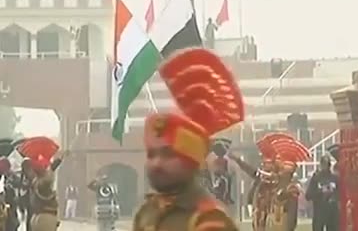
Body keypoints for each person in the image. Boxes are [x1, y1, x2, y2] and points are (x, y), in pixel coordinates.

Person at [132, 48, 244, 231]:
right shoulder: (148, 212)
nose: (157, 163)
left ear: (193, 161)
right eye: (151, 154)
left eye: (168, 154)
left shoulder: (209, 220)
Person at [19, 137, 67, 231]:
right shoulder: (43, 183)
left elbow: (51, 168)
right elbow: (50, 171)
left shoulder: (34, 181)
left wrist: (60, 159)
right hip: (45, 217)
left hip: (35, 216)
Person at [266, 137, 310, 231]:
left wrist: (289, 228)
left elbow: (292, 213)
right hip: (276, 221)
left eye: (284, 171)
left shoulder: (292, 188)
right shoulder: (277, 182)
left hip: (284, 222)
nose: (281, 172)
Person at [305, 155, 339, 231]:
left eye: (327, 164)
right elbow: (308, 195)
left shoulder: (335, 178)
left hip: (332, 212)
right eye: (323, 164)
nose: (325, 167)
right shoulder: (316, 178)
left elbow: (340, 194)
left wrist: (333, 195)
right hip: (319, 210)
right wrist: (320, 191)